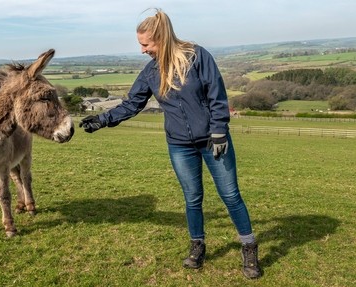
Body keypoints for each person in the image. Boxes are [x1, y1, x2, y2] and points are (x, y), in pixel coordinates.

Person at [79, 8, 262, 279]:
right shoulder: (151, 71)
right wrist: (102, 120)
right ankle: (197, 245)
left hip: (214, 141)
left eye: (145, 44)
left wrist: (220, 130)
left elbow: (216, 94)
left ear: (161, 38)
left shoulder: (197, 56)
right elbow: (132, 104)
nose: (142, 50)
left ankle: (248, 248)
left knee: (231, 196)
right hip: (179, 145)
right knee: (192, 198)